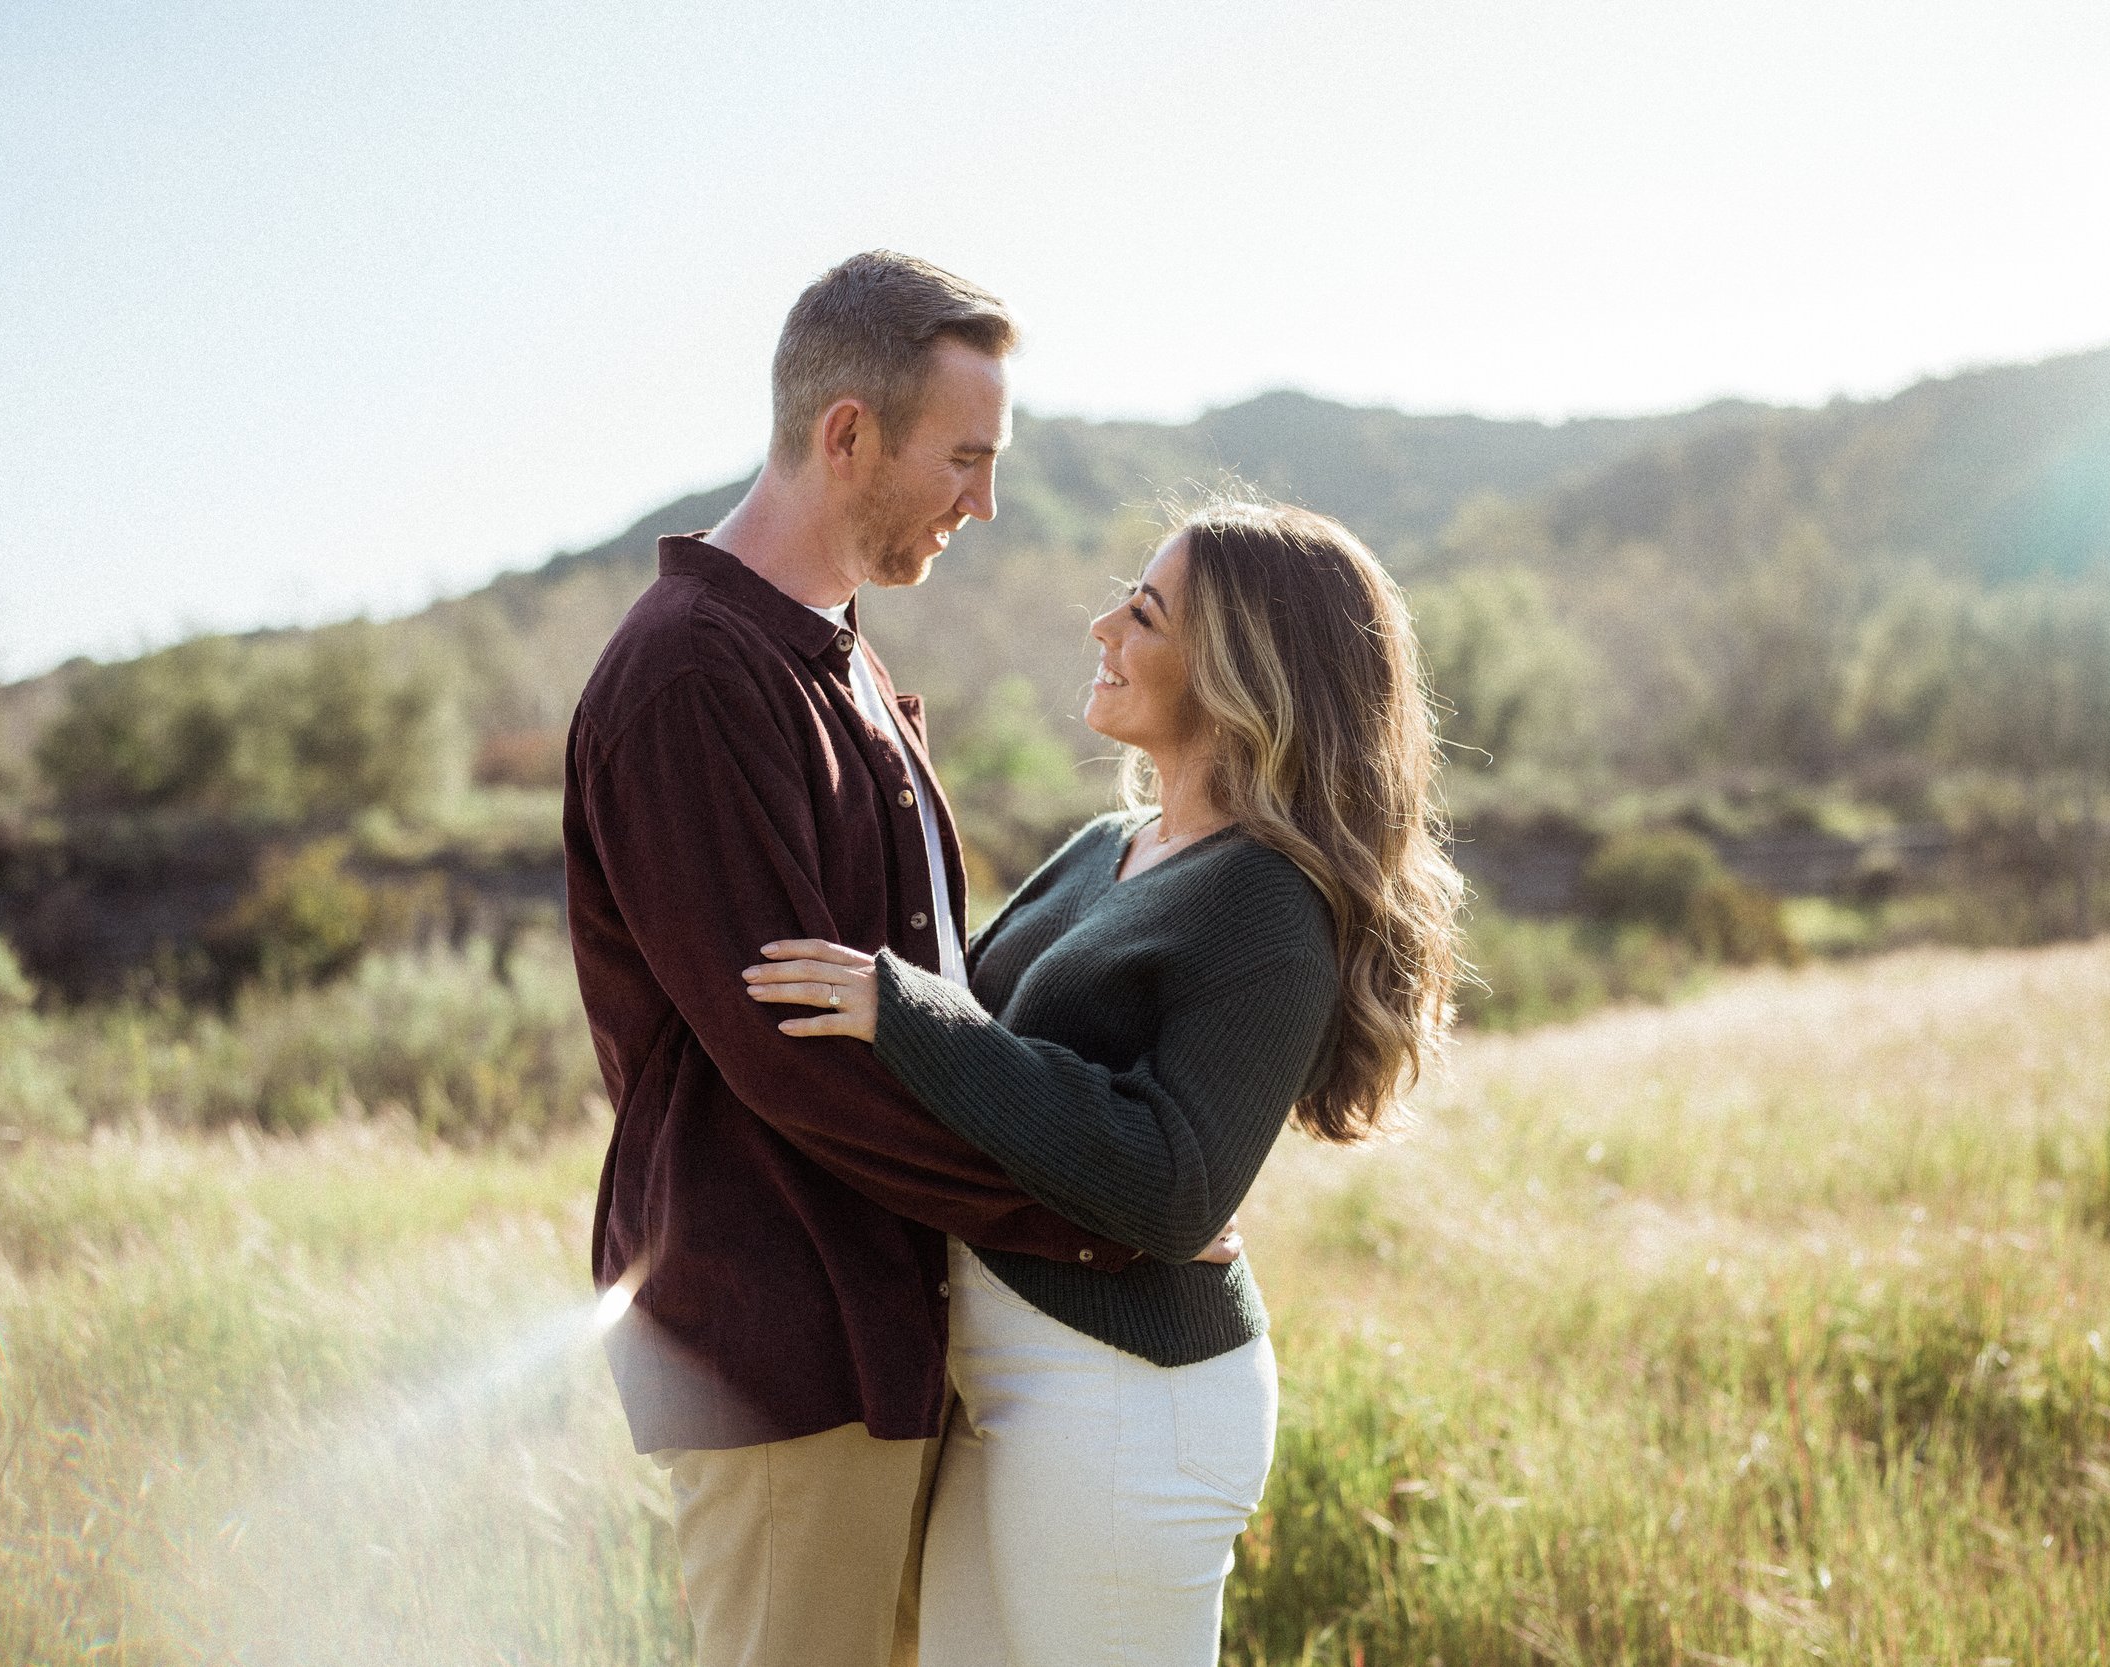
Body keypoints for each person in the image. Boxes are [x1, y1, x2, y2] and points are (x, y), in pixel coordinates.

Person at [565, 250, 1217, 1667]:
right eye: (963, 459)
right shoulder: (693, 676)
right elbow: (798, 1064)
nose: (984, 502)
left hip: (889, 1333)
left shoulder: (835, 661)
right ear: (846, 431)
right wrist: (1094, 1209)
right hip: (787, 1346)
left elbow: (919, 1015)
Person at [746, 497, 1465, 1666]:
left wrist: (907, 1013)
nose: (1099, 627)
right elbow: (986, 1060)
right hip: (1006, 1379)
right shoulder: (1104, 848)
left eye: (1143, 612)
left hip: (1128, 1400)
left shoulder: (1271, 905)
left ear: (1239, 670)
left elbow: (1174, 1185)